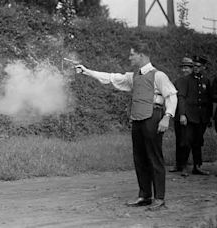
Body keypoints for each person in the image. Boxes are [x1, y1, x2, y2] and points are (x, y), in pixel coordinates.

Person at [75, 42, 177, 211]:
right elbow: (111, 78)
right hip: (137, 119)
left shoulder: (158, 76)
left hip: (153, 117)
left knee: (155, 158)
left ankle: (159, 198)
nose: (129, 57)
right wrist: (86, 71)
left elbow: (172, 96)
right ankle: (145, 196)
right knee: (140, 158)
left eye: (132, 54)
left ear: (142, 55)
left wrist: (167, 117)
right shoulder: (133, 76)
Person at [170, 56, 212, 176]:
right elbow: (182, 98)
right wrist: (182, 114)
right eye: (194, 66)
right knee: (186, 141)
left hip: (201, 117)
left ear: (204, 67)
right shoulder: (186, 80)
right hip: (189, 116)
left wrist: (208, 117)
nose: (196, 69)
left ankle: (197, 166)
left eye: (199, 66)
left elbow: (208, 100)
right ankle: (183, 167)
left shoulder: (206, 81)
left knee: (198, 142)